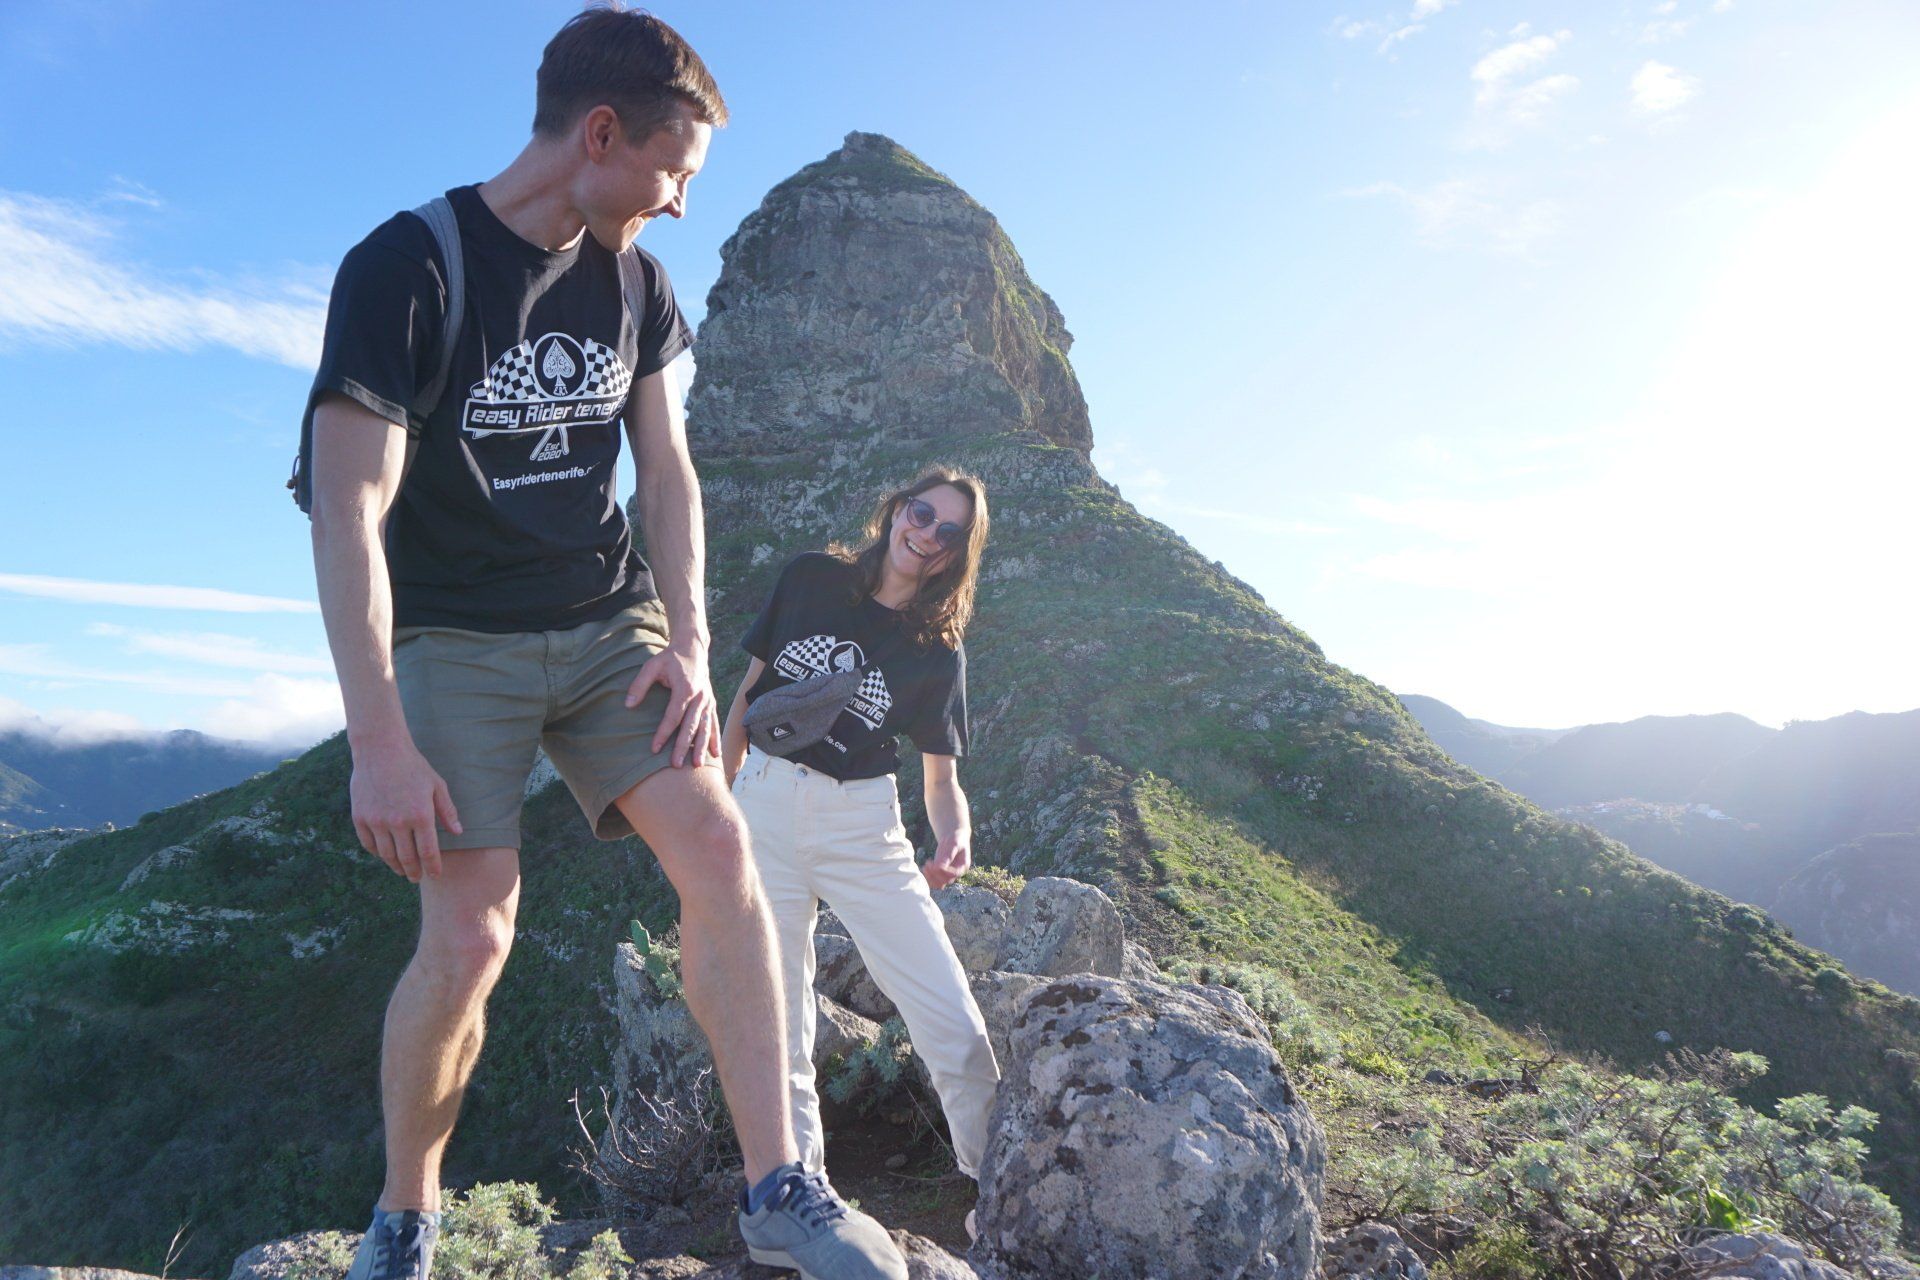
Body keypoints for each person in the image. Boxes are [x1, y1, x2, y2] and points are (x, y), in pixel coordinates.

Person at [305, 9, 907, 1280]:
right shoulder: (408, 268)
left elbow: (668, 472)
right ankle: (405, 1217)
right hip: (455, 634)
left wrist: (688, 643)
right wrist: (378, 739)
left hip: (605, 624)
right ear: (598, 135)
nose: (683, 204)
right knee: (470, 935)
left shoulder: (634, 280)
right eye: (675, 172)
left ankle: (779, 1186)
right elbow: (350, 507)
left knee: (719, 846)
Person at [721, 468, 1000, 1237]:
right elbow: (744, 697)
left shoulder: (936, 653)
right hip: (764, 807)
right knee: (777, 1025)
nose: (929, 534)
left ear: (957, 554)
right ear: (896, 509)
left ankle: (999, 1197)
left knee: (950, 1016)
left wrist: (954, 832)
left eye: (950, 532)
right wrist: (718, 803)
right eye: (923, 513)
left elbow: (941, 779)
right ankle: (798, 1209)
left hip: (864, 828)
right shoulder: (811, 578)